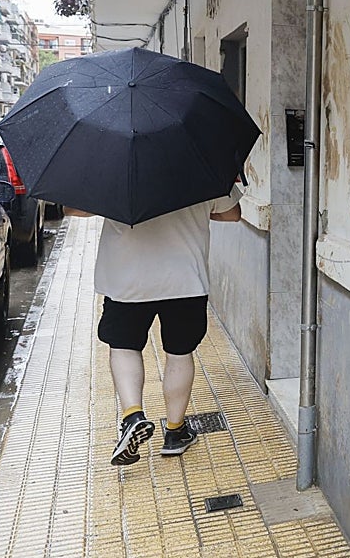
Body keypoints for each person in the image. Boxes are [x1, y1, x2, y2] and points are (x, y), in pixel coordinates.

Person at [65, 186, 242, 466]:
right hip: (185, 279)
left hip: (126, 280)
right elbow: (232, 214)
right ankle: (175, 432)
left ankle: (133, 416)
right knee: (179, 353)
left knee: (124, 347)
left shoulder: (113, 165)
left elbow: (72, 209)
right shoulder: (200, 163)